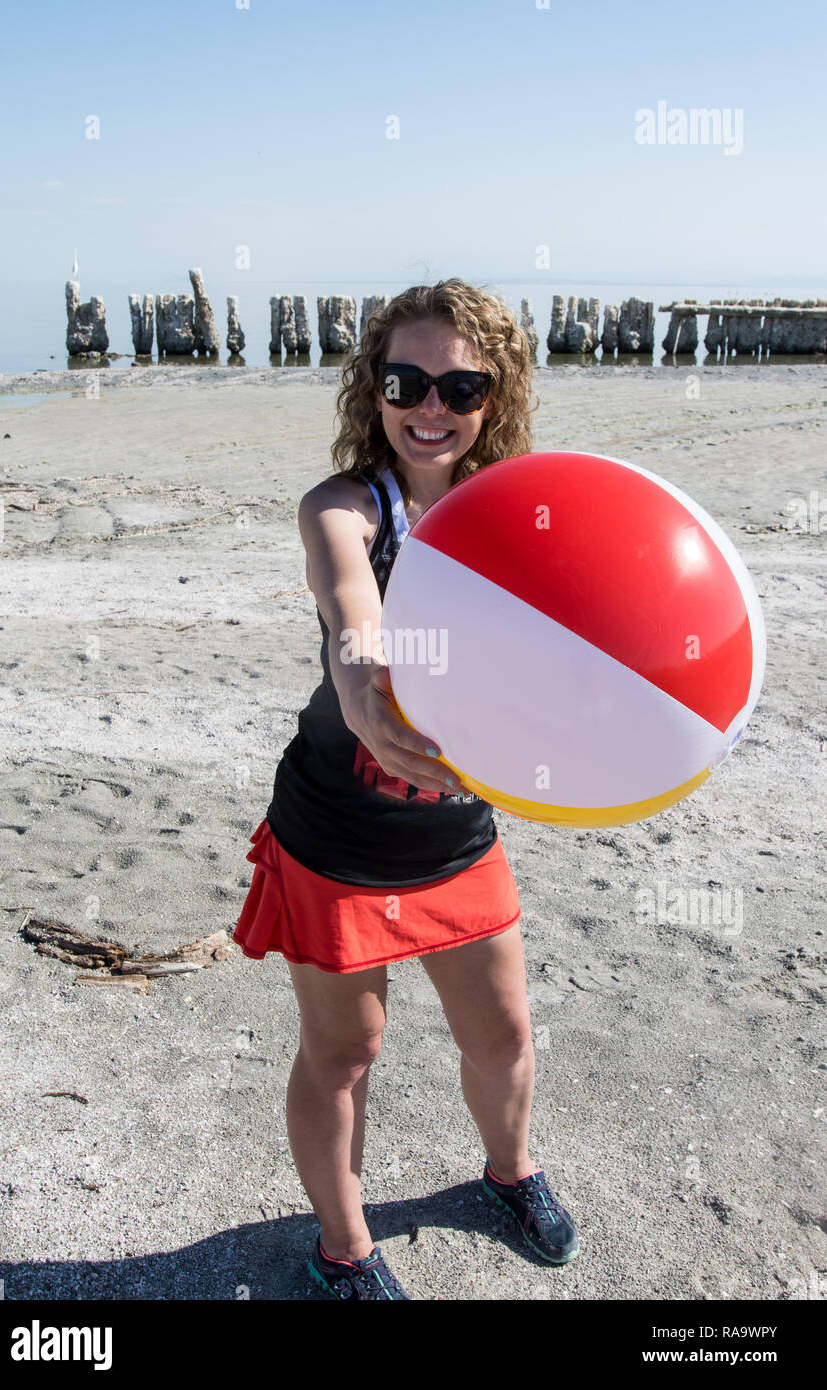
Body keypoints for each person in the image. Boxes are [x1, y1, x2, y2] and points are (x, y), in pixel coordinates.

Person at [234, 278, 580, 1300]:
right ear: (372, 387)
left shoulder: (521, 512)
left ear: (493, 394)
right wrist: (369, 698)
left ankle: (507, 1174)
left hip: (455, 828)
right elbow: (352, 612)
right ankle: (343, 1248)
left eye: (460, 385)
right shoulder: (343, 507)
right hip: (336, 830)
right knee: (347, 1049)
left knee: (503, 1032)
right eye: (406, 380)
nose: (430, 407)